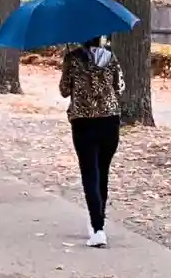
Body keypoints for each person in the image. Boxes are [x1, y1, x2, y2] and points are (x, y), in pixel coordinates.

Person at [58, 36, 124, 248]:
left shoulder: (72, 58)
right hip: (110, 121)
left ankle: (97, 228)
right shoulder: (111, 58)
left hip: (84, 121)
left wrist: (70, 65)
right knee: (102, 171)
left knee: (89, 173)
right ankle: (99, 221)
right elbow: (120, 87)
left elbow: (64, 90)